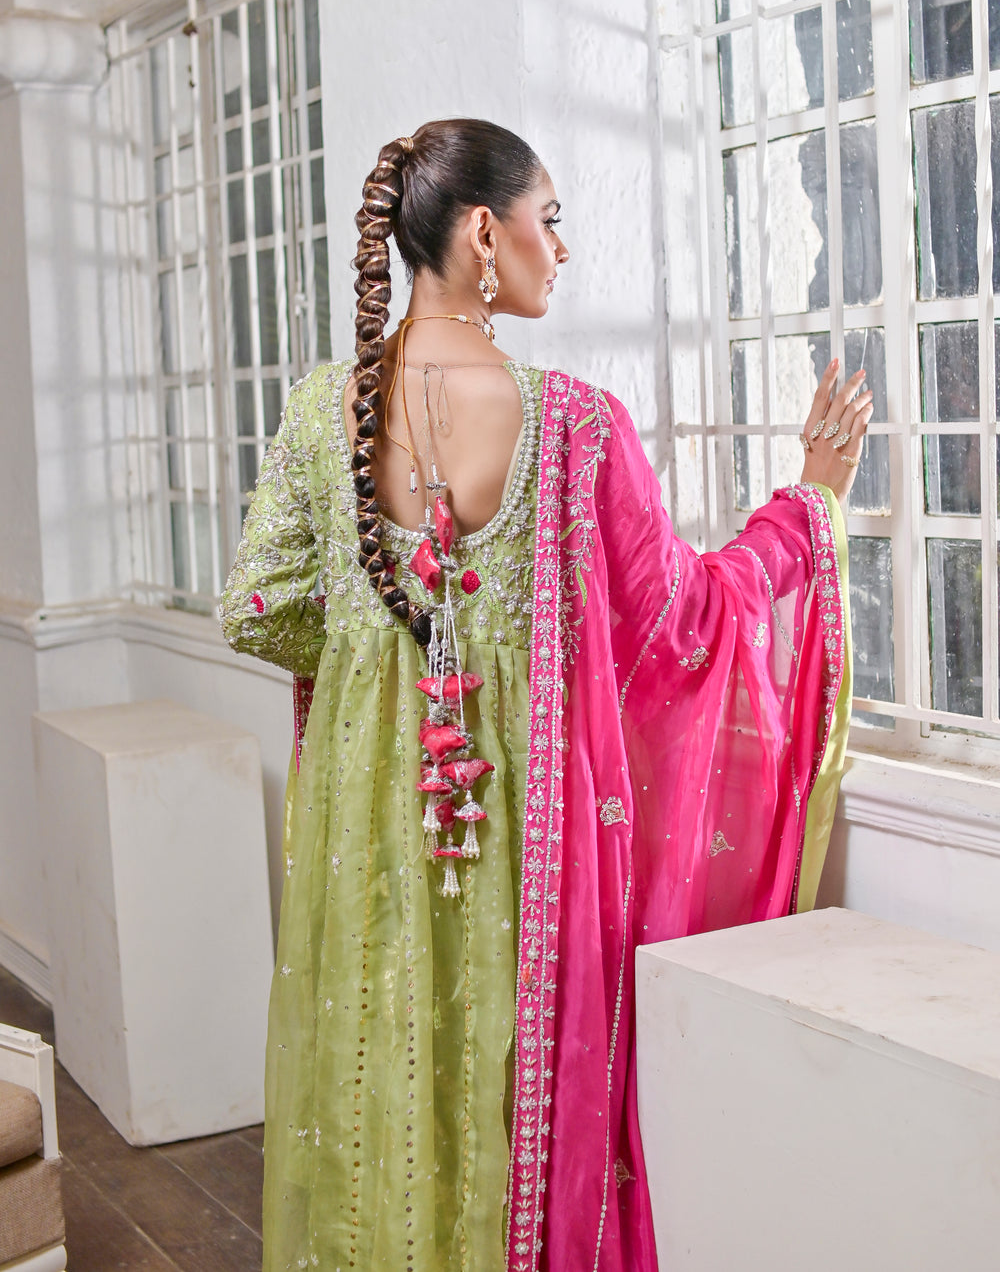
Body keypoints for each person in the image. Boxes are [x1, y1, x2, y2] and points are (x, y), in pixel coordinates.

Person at [219, 118, 872, 1272]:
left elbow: (258, 609)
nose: (560, 249)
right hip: (525, 841)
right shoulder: (574, 424)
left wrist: (387, 665)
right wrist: (807, 504)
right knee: (506, 1093)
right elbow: (687, 623)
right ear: (484, 232)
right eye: (549, 220)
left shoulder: (324, 410)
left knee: (380, 1084)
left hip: (370, 830)